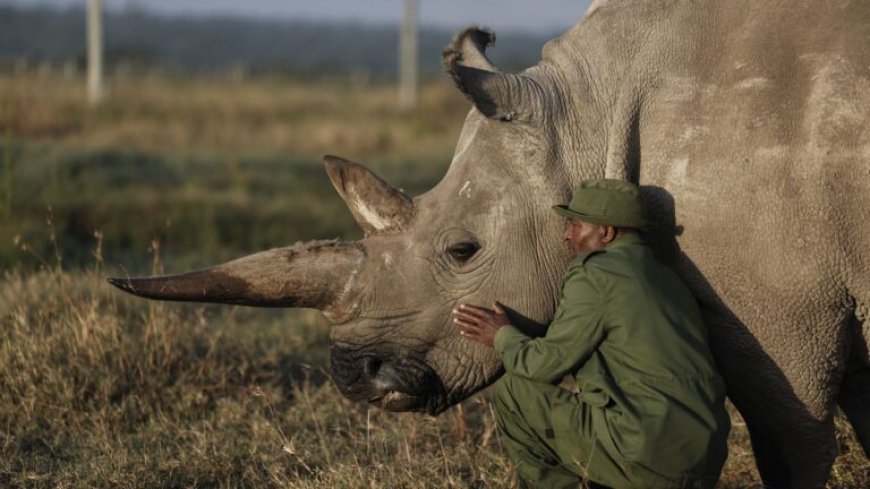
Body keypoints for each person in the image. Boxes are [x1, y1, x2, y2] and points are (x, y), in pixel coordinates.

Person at [452, 179, 730, 489]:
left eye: (574, 224)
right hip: (706, 458)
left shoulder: (595, 273)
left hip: (645, 453)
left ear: (606, 232)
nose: (566, 234)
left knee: (515, 392)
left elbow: (545, 365)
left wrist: (502, 335)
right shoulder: (668, 278)